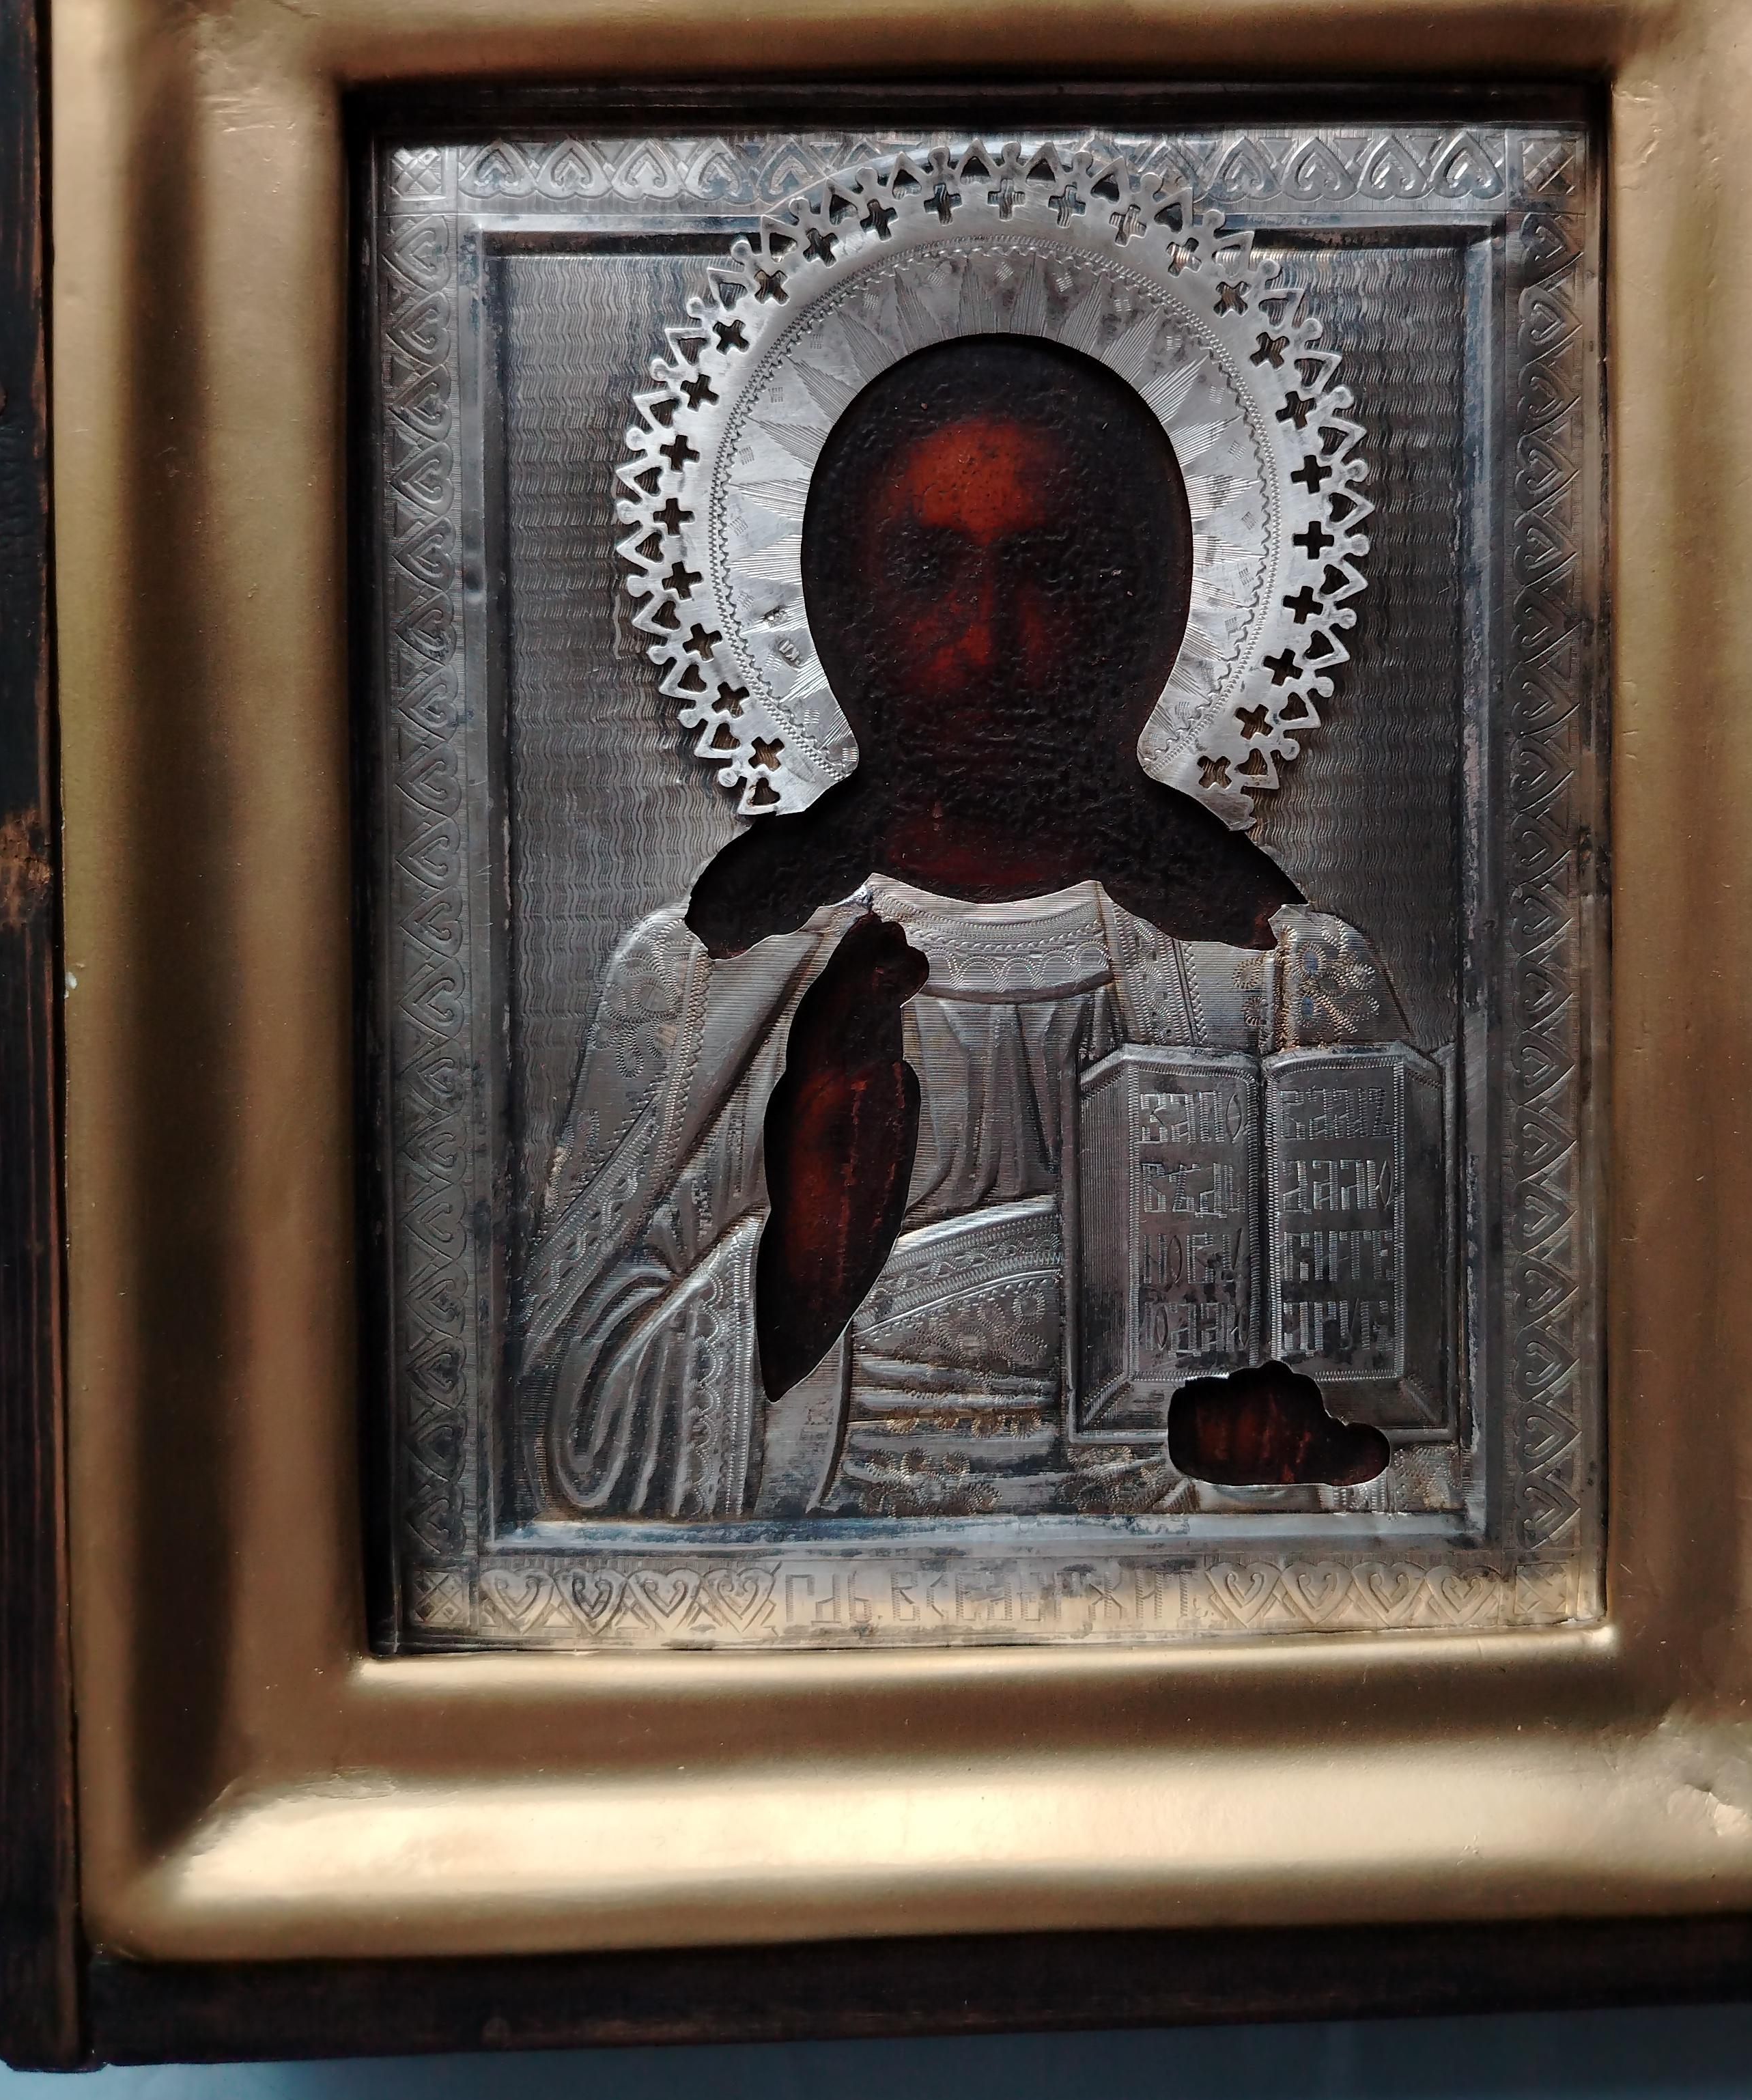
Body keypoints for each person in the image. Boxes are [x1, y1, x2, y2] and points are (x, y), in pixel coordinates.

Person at [518, 335, 1407, 1524]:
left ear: (1147, 607)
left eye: (1055, 572)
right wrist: (801, 1267)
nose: (990, 640)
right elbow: (553, 1462)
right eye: (927, 570)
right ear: (838, 605)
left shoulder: (1291, 988)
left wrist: (1279, 1460)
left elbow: (1446, 1471)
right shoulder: (697, 987)